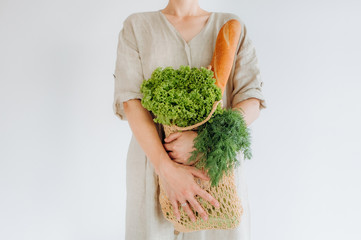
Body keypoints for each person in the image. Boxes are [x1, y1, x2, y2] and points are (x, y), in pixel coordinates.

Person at [112, 0, 267, 239]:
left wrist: (205, 141)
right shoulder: (137, 27)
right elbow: (131, 103)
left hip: (215, 171)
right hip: (153, 167)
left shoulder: (230, 26)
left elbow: (251, 102)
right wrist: (166, 168)